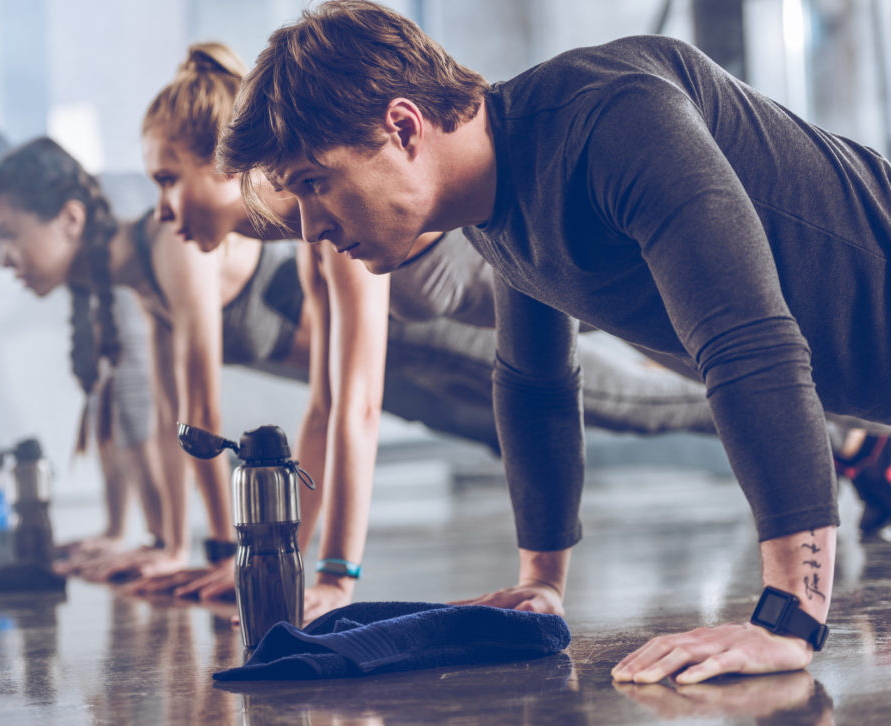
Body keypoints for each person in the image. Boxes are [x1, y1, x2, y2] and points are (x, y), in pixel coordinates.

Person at [217, 0, 891, 683]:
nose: (306, 228)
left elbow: (749, 342)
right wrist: (540, 583)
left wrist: (791, 616)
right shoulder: (499, 205)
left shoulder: (614, 118)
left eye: (313, 184)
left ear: (402, 127)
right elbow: (535, 383)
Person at [128, 43, 736, 621]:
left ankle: (834, 437)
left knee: (684, 384)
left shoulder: (333, 201)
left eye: (167, 180)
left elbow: (360, 407)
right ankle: (834, 435)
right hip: (522, 301)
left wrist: (337, 578)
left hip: (570, 275)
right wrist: (279, 564)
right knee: (680, 386)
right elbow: (325, 406)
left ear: (218, 163)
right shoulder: (307, 224)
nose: (160, 211)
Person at [0, 126, 180, 579]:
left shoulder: (107, 216)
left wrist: (163, 547)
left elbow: (137, 391)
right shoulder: (65, 242)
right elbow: (104, 386)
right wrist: (115, 532)